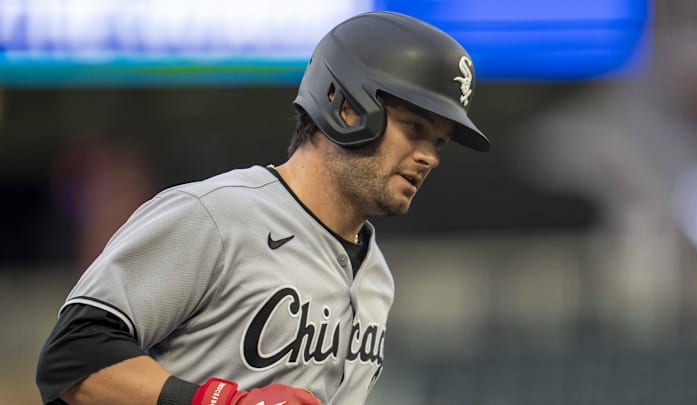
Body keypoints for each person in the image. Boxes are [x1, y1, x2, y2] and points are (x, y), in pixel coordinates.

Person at [35, 11, 491, 405]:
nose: (429, 155)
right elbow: (71, 357)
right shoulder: (215, 215)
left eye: (439, 142)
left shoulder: (377, 277)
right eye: (414, 127)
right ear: (347, 107)